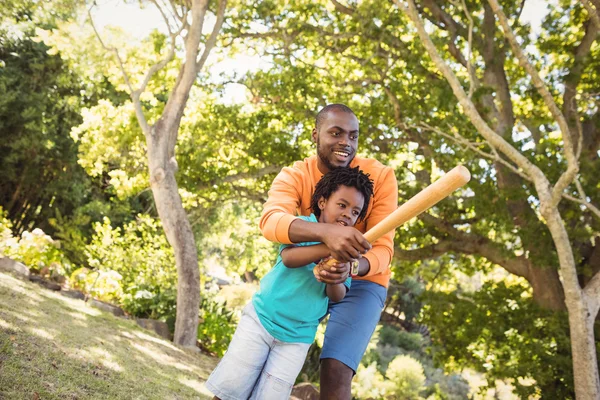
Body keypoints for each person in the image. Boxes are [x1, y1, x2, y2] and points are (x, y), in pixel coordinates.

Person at [260, 103, 398, 399]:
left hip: (362, 280)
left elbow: (384, 250)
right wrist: (328, 235)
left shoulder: (381, 177)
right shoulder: (295, 175)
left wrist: (350, 267)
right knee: (259, 353)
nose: (345, 143)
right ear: (315, 134)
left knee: (335, 369)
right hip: (309, 271)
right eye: (336, 133)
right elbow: (271, 222)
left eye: (353, 136)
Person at [206, 166, 375, 400]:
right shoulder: (304, 226)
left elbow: (337, 295)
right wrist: (328, 245)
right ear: (323, 202)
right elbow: (288, 258)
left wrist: (334, 276)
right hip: (262, 320)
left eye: (355, 211)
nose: (348, 214)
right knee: (231, 389)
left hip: (297, 337)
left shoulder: (347, 253)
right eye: (342, 205)